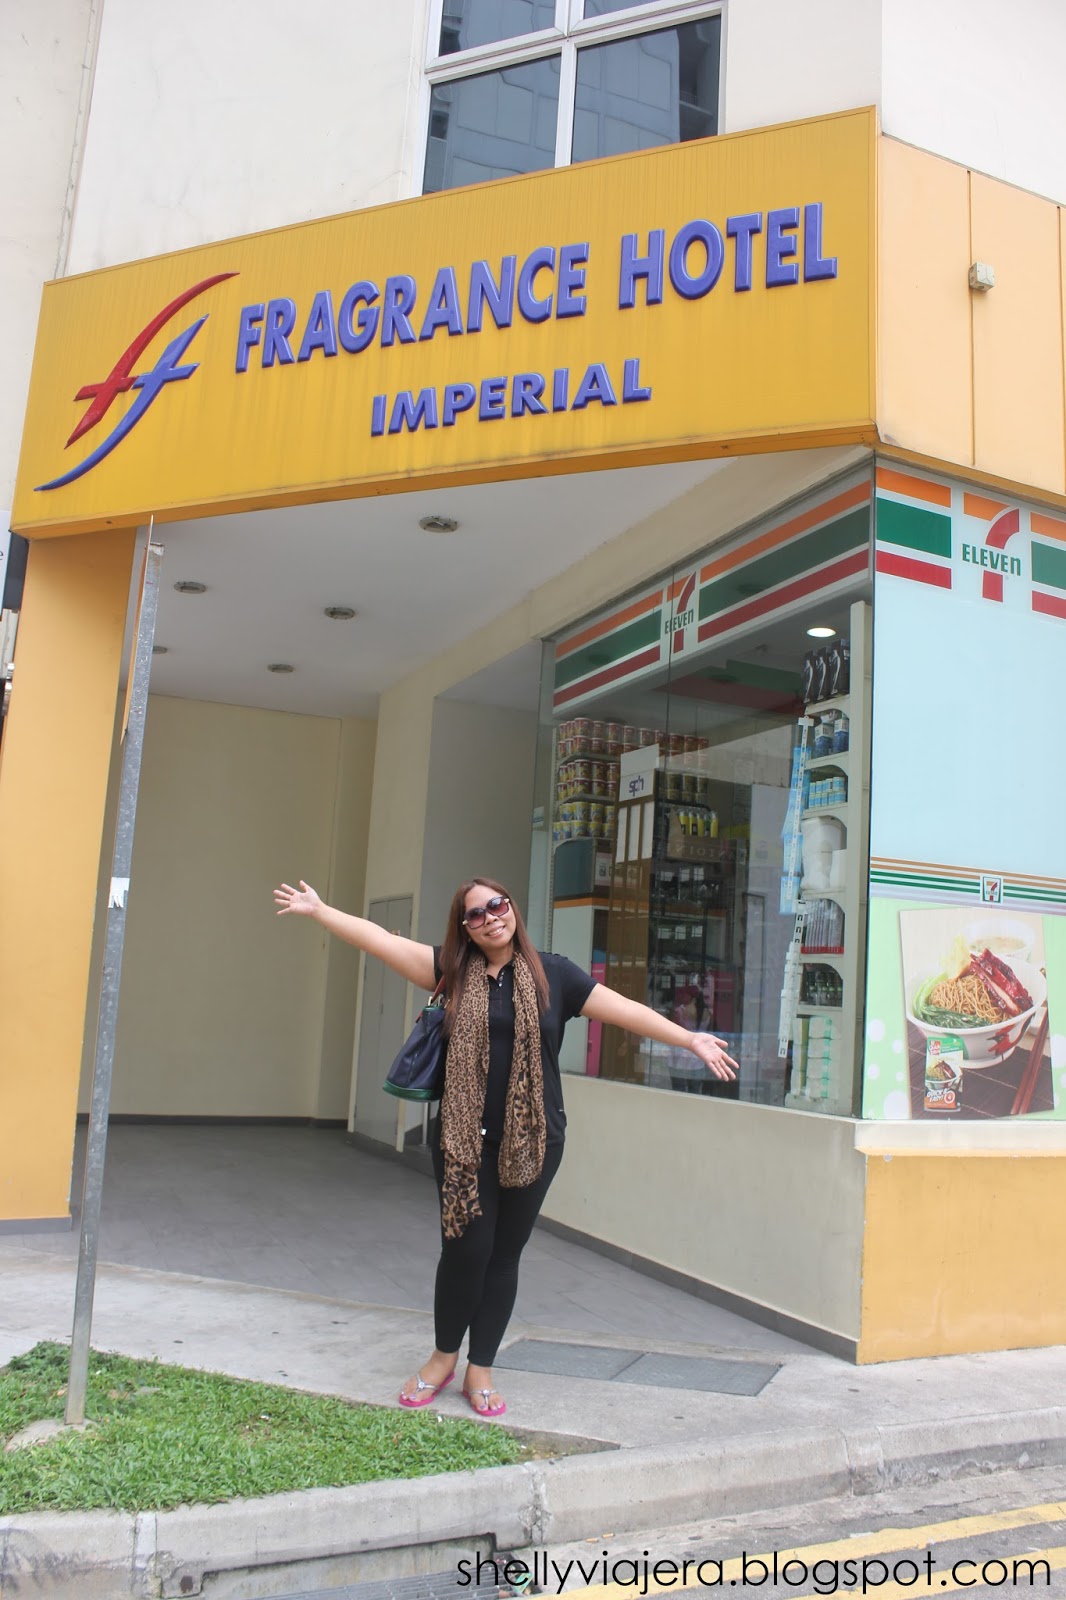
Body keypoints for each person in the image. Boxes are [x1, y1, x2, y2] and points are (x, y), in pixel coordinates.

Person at [274, 875, 737, 1419]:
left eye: (497, 905)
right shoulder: (451, 971)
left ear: (512, 908)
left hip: (535, 1141)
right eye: (476, 913)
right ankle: (443, 1358)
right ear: (465, 928)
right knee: (464, 1252)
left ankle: (482, 1367)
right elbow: (379, 940)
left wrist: (689, 1038)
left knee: (503, 1257)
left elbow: (625, 1009)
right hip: (463, 1143)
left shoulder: (554, 974)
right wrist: (321, 911)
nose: (491, 917)